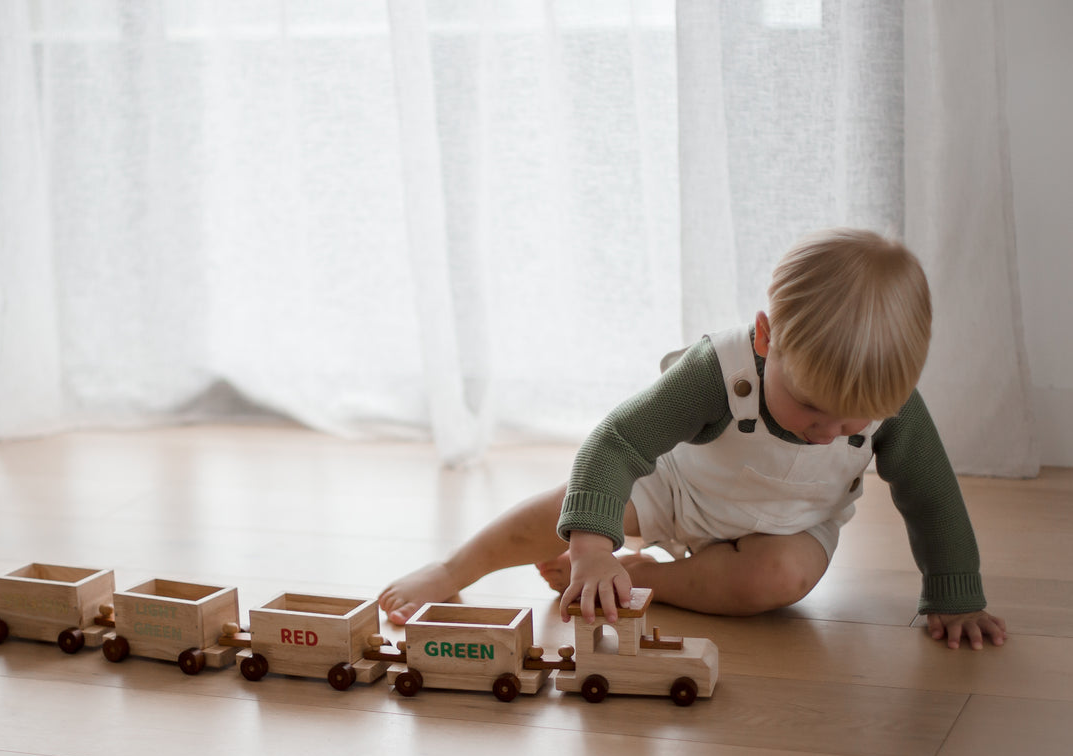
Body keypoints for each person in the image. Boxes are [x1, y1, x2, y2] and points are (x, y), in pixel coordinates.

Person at [379, 229, 1006, 650]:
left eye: (855, 420)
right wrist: (592, 545)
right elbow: (616, 442)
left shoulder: (894, 404)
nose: (829, 433)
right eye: (813, 407)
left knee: (779, 581)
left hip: (789, 527)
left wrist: (955, 592)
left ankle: (642, 577)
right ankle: (454, 568)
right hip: (678, 489)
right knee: (560, 511)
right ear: (766, 339)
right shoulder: (720, 372)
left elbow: (930, 494)